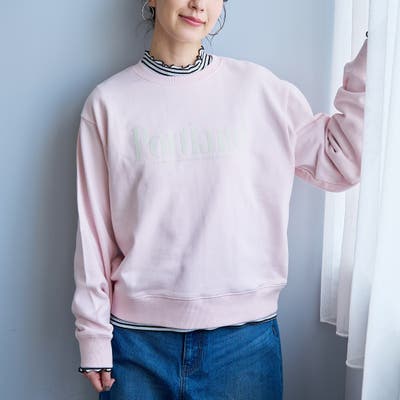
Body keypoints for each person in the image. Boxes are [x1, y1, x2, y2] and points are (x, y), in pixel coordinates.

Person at [71, 0, 368, 398]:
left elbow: (343, 160)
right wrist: (93, 335)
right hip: (137, 346)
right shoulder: (108, 104)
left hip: (244, 346)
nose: (198, 4)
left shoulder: (260, 91)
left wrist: (377, 46)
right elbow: (93, 233)